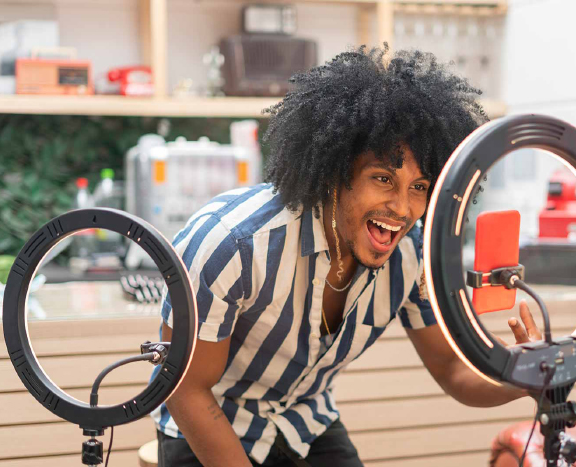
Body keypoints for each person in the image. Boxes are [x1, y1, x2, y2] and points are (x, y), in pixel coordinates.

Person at [152, 45, 542, 467]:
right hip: (209, 426)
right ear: (335, 173)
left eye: (419, 187)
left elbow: (451, 368)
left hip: (305, 421)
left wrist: (521, 377)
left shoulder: (412, 255)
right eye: (383, 179)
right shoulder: (234, 245)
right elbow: (187, 390)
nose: (402, 208)